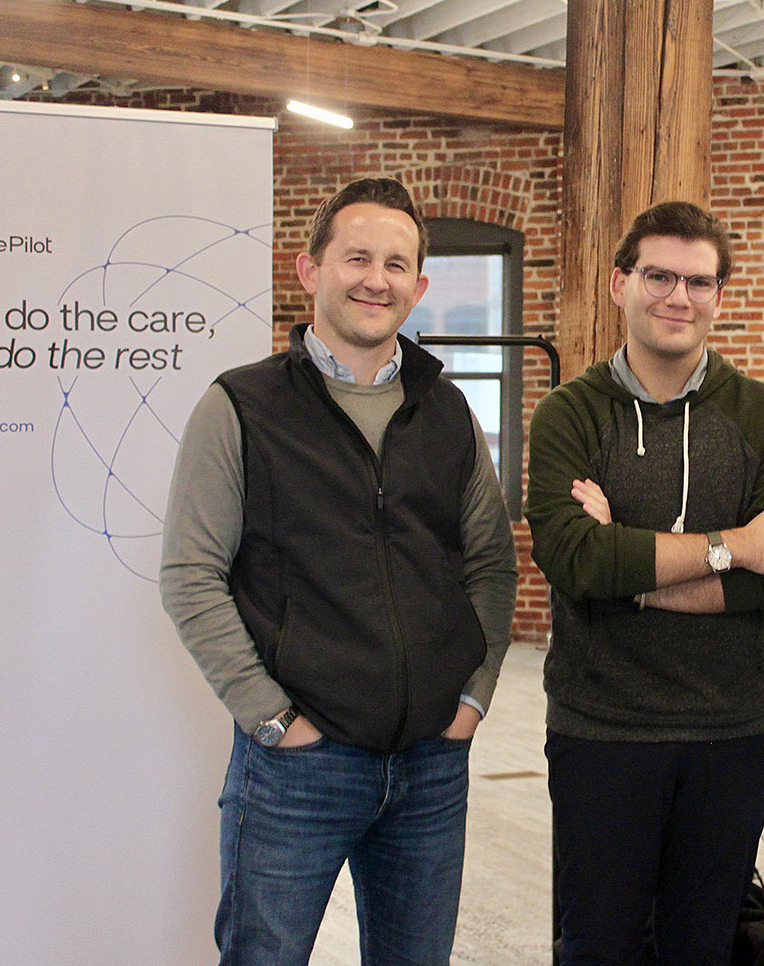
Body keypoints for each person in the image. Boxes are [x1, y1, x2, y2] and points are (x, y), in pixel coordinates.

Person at [160, 177, 517, 966]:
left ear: (419, 287)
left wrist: (472, 697)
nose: (375, 278)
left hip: (430, 763)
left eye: (396, 263)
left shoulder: (447, 410)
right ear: (308, 269)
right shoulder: (242, 407)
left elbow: (491, 561)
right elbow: (190, 574)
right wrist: (273, 719)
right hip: (298, 770)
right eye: (356, 256)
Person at [525, 200, 764, 965]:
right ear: (621, 282)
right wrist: (737, 544)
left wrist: (633, 569)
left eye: (698, 280)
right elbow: (571, 560)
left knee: (703, 948)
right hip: (601, 732)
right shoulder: (570, 413)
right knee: (597, 945)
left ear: (720, 294)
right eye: (658, 275)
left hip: (731, 732)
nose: (677, 296)